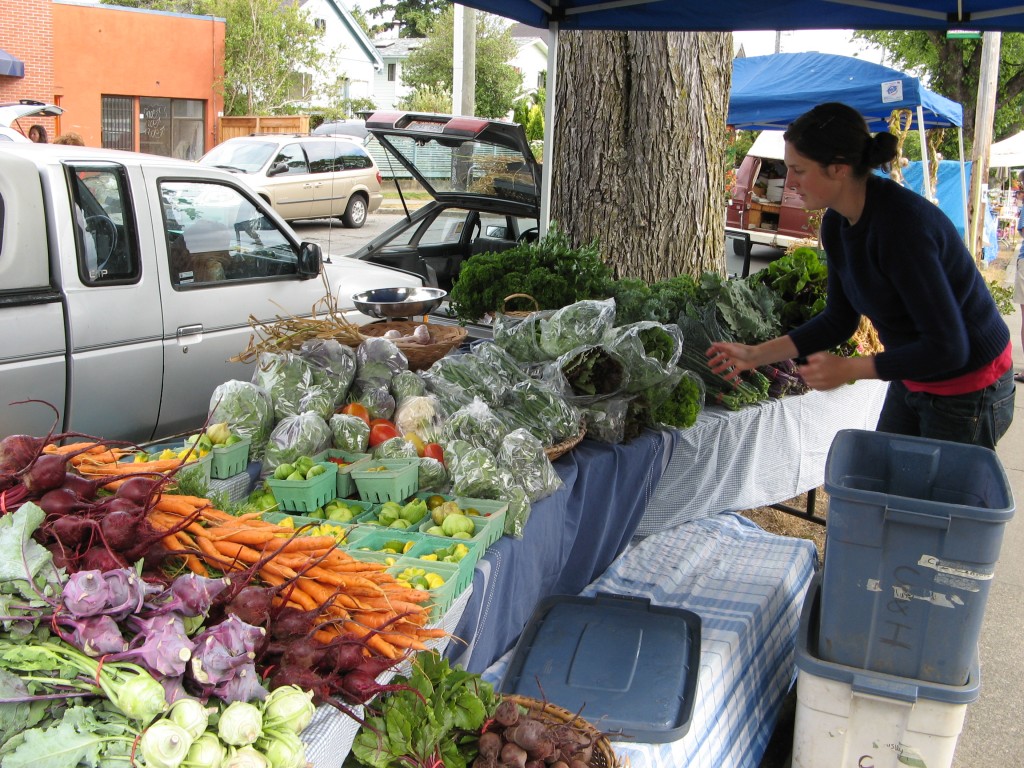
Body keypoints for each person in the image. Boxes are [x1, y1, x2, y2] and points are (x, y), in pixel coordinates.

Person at [707, 101, 1015, 450]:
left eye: (799, 170)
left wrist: (851, 368)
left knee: (933, 502)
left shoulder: (903, 228)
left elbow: (950, 347)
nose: (788, 182)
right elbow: (838, 320)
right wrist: (755, 354)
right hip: (915, 376)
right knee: (886, 483)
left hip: (971, 386)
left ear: (838, 169)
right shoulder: (837, 223)